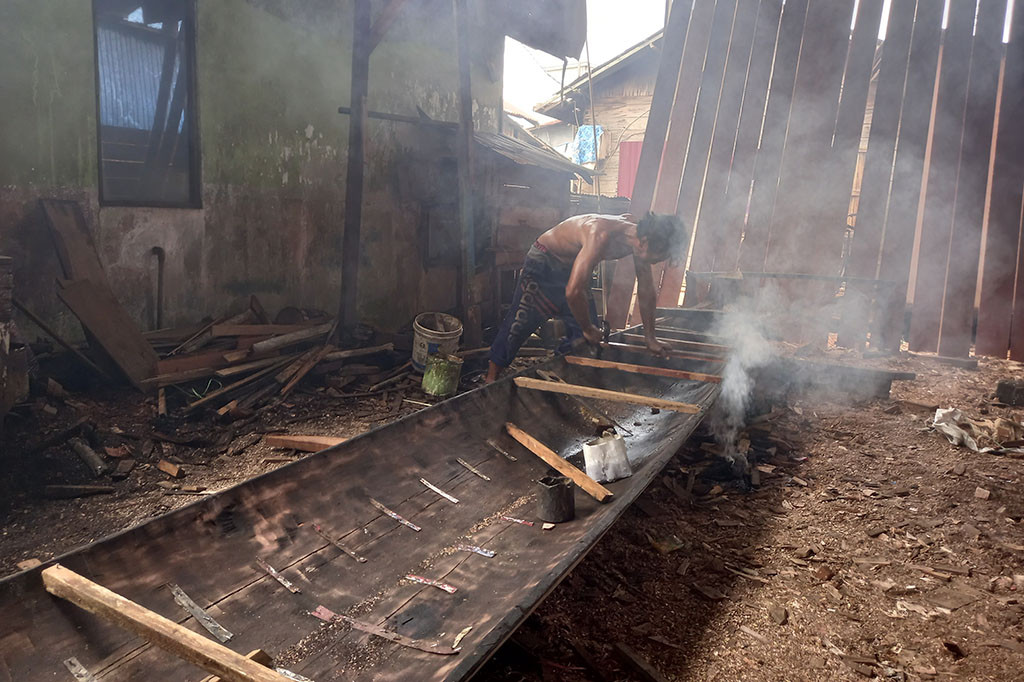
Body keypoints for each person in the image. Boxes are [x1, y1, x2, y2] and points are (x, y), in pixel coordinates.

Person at [486, 211, 687, 383]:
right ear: (645, 243)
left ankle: (560, 376)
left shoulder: (638, 237)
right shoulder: (600, 234)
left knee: (585, 341)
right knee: (520, 322)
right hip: (544, 262)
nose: (658, 261)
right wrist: (588, 328)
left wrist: (650, 338)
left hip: (572, 268)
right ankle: (490, 379)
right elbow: (573, 291)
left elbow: (646, 290)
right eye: (660, 257)